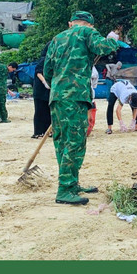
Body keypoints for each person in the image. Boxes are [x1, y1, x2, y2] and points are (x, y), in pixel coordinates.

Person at [42, 11, 122, 204]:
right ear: (90, 25)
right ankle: (65, 189)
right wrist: (112, 39)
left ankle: (71, 182)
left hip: (57, 96)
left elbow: (47, 70)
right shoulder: (86, 33)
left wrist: (59, 85)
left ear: (72, 23)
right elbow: (103, 47)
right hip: (75, 96)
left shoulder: (57, 38)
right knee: (75, 141)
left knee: (62, 141)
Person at [31, 60, 52, 138]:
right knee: (39, 111)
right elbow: (38, 72)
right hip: (40, 91)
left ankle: (48, 131)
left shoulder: (53, 60)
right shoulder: (43, 60)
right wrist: (44, 82)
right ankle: (38, 132)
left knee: (48, 111)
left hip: (48, 91)